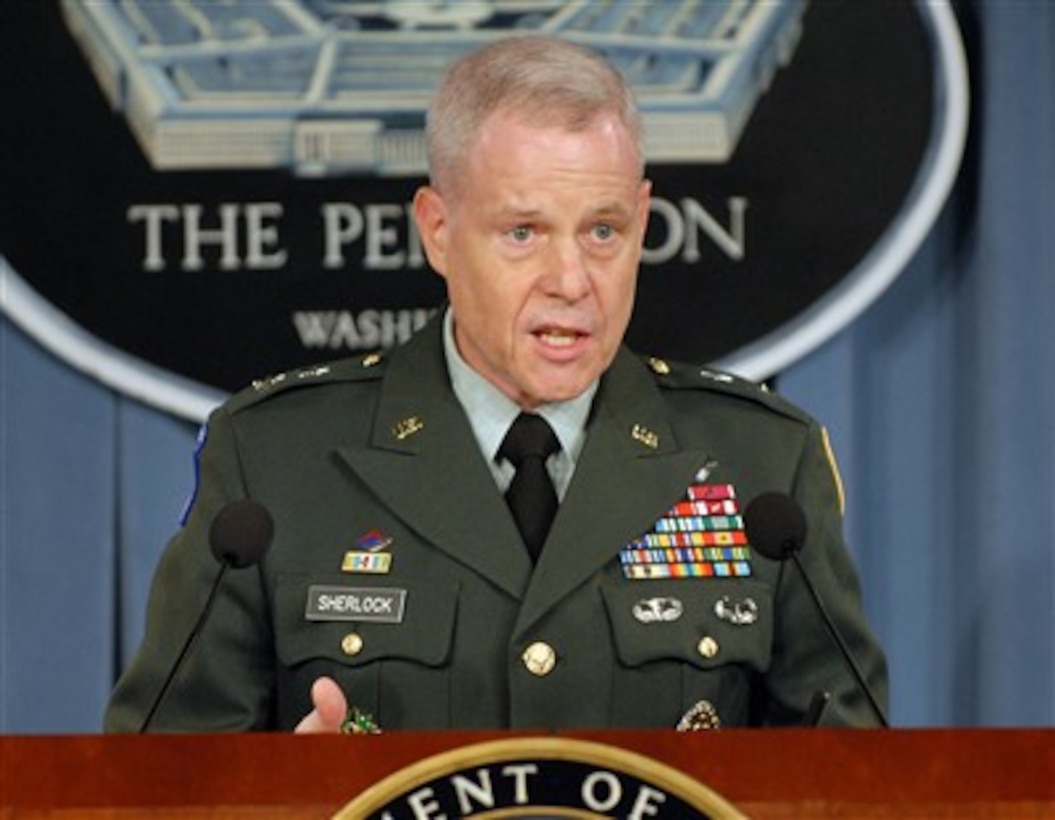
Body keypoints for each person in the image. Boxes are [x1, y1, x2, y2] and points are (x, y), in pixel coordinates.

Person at [105, 35, 887, 733]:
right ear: (438, 231)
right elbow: (149, 789)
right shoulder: (273, 462)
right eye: (523, 232)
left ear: (644, 221)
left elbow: (858, 785)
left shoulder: (761, 469)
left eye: (603, 231)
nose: (572, 280)